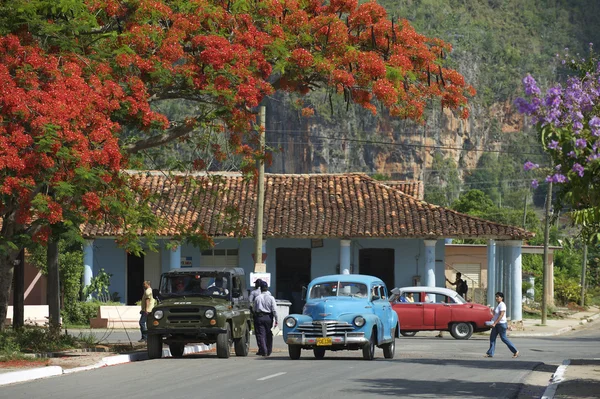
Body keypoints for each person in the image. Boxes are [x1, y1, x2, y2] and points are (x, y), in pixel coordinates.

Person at [484, 292, 519, 358]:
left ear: (502, 298)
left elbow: (501, 315)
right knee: (492, 338)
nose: (496, 298)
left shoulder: (502, 305)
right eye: (496, 297)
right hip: (497, 324)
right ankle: (490, 353)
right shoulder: (498, 305)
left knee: (504, 338)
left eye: (498, 297)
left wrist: (495, 323)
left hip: (501, 324)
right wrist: (491, 310)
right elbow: (496, 314)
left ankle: (515, 351)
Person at [253, 280, 278, 357]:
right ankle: (269, 350)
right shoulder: (271, 298)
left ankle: (264, 350)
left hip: (260, 317)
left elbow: (254, 309)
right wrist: (276, 320)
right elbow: (274, 310)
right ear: (267, 288)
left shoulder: (257, 298)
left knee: (261, 335)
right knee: (269, 334)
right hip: (269, 317)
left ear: (260, 289)